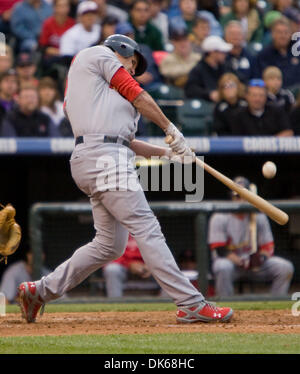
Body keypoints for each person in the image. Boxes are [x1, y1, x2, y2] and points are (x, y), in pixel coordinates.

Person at [17, 34, 233, 324]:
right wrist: (173, 129)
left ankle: (39, 291)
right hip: (102, 156)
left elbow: (127, 141)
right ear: (120, 50)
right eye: (132, 63)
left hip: (100, 156)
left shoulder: (104, 96)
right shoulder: (96, 55)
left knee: (109, 245)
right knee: (146, 226)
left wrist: (168, 153)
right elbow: (138, 94)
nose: (132, 70)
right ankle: (190, 302)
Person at [208, 176, 294, 297]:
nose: (241, 200)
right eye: (237, 196)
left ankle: (275, 302)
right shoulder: (220, 216)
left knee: (285, 267)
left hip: (255, 265)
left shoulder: (258, 216)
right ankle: (225, 303)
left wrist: (261, 258)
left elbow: (268, 245)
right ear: (232, 197)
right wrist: (242, 262)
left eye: (244, 196)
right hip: (231, 263)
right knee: (222, 267)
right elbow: (219, 249)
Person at [254, 17, 300, 88]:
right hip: (276, 95)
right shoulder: (264, 55)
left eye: (286, 32)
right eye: (279, 32)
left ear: (291, 33)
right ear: (272, 34)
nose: (283, 36)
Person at [185, 35, 232, 102]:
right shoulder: (198, 69)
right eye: (222, 52)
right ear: (212, 53)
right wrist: (209, 94)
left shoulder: (224, 67)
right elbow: (190, 89)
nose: (225, 55)